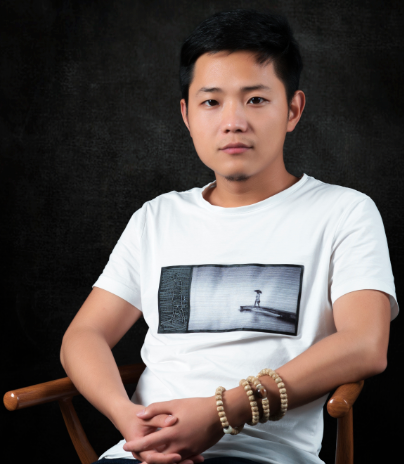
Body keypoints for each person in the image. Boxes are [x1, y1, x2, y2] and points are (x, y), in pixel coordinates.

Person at [60, 8, 399, 464]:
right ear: (186, 114)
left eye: (255, 99)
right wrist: (128, 420)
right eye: (211, 102)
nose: (233, 121)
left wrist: (220, 414)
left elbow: (365, 344)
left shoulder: (343, 212)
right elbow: (84, 334)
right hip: (140, 453)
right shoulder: (157, 218)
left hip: (263, 455)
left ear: (293, 109)